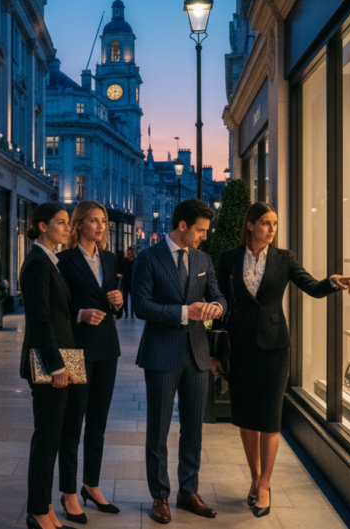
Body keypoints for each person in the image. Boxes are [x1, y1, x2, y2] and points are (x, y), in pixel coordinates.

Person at [215, 202, 350, 517]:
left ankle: (265, 485)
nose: (272, 229)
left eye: (275, 224)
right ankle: (254, 477)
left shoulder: (284, 258)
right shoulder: (229, 259)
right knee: (246, 417)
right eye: (266, 223)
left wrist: (331, 282)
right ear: (250, 225)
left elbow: (311, 286)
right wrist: (215, 350)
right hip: (240, 346)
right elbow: (219, 303)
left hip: (274, 347)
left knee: (269, 418)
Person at [132, 199, 226, 525]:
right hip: (161, 354)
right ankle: (160, 495)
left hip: (197, 355)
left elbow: (218, 295)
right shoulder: (148, 258)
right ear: (182, 226)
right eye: (200, 230)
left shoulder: (203, 259)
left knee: (193, 429)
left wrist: (216, 307)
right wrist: (185, 312)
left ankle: (189, 490)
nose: (204, 236)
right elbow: (141, 306)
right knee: (158, 428)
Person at [55, 201, 124, 523]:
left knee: (98, 423)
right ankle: (69, 492)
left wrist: (118, 302)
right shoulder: (64, 260)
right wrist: (80, 314)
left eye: (103, 221)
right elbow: (56, 307)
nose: (100, 226)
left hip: (107, 348)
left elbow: (113, 305)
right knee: (72, 424)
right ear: (79, 224)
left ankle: (91, 485)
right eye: (94, 220)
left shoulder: (109, 259)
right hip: (76, 350)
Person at [19, 202, 81, 529]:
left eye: (68, 222)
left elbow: (58, 315)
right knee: (46, 439)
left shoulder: (50, 261)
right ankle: (38, 511)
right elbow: (41, 320)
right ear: (42, 226)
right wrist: (57, 367)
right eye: (61, 222)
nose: (67, 227)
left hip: (63, 357)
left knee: (56, 436)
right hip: (49, 363)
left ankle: (46, 508)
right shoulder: (36, 264)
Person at [118, 247, 136, 318]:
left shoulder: (131, 260)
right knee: (128, 299)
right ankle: (129, 314)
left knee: (129, 299)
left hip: (129, 281)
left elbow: (121, 270)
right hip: (129, 281)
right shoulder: (129, 260)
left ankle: (129, 314)